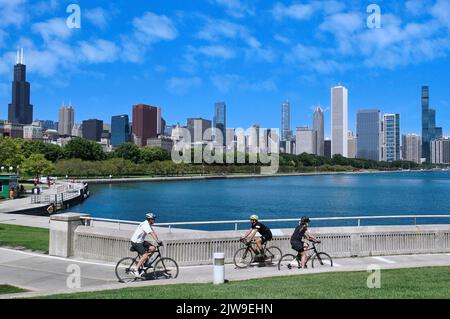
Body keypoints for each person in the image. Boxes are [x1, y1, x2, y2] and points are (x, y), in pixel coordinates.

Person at [130, 212, 163, 277]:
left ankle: (144, 263)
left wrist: (158, 241)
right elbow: (151, 234)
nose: (154, 220)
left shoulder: (148, 224)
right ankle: (135, 270)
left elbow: (154, 233)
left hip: (141, 241)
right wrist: (157, 241)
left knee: (153, 248)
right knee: (145, 255)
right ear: (150, 219)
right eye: (153, 219)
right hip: (136, 242)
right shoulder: (145, 225)